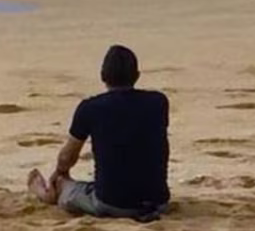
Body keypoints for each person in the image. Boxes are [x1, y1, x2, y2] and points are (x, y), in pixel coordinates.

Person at [27, 44, 170, 220]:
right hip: (158, 202)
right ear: (137, 76)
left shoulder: (91, 108)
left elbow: (67, 158)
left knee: (66, 186)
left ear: (103, 76)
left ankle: (47, 193)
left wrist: (59, 173)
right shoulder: (159, 102)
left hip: (113, 203)